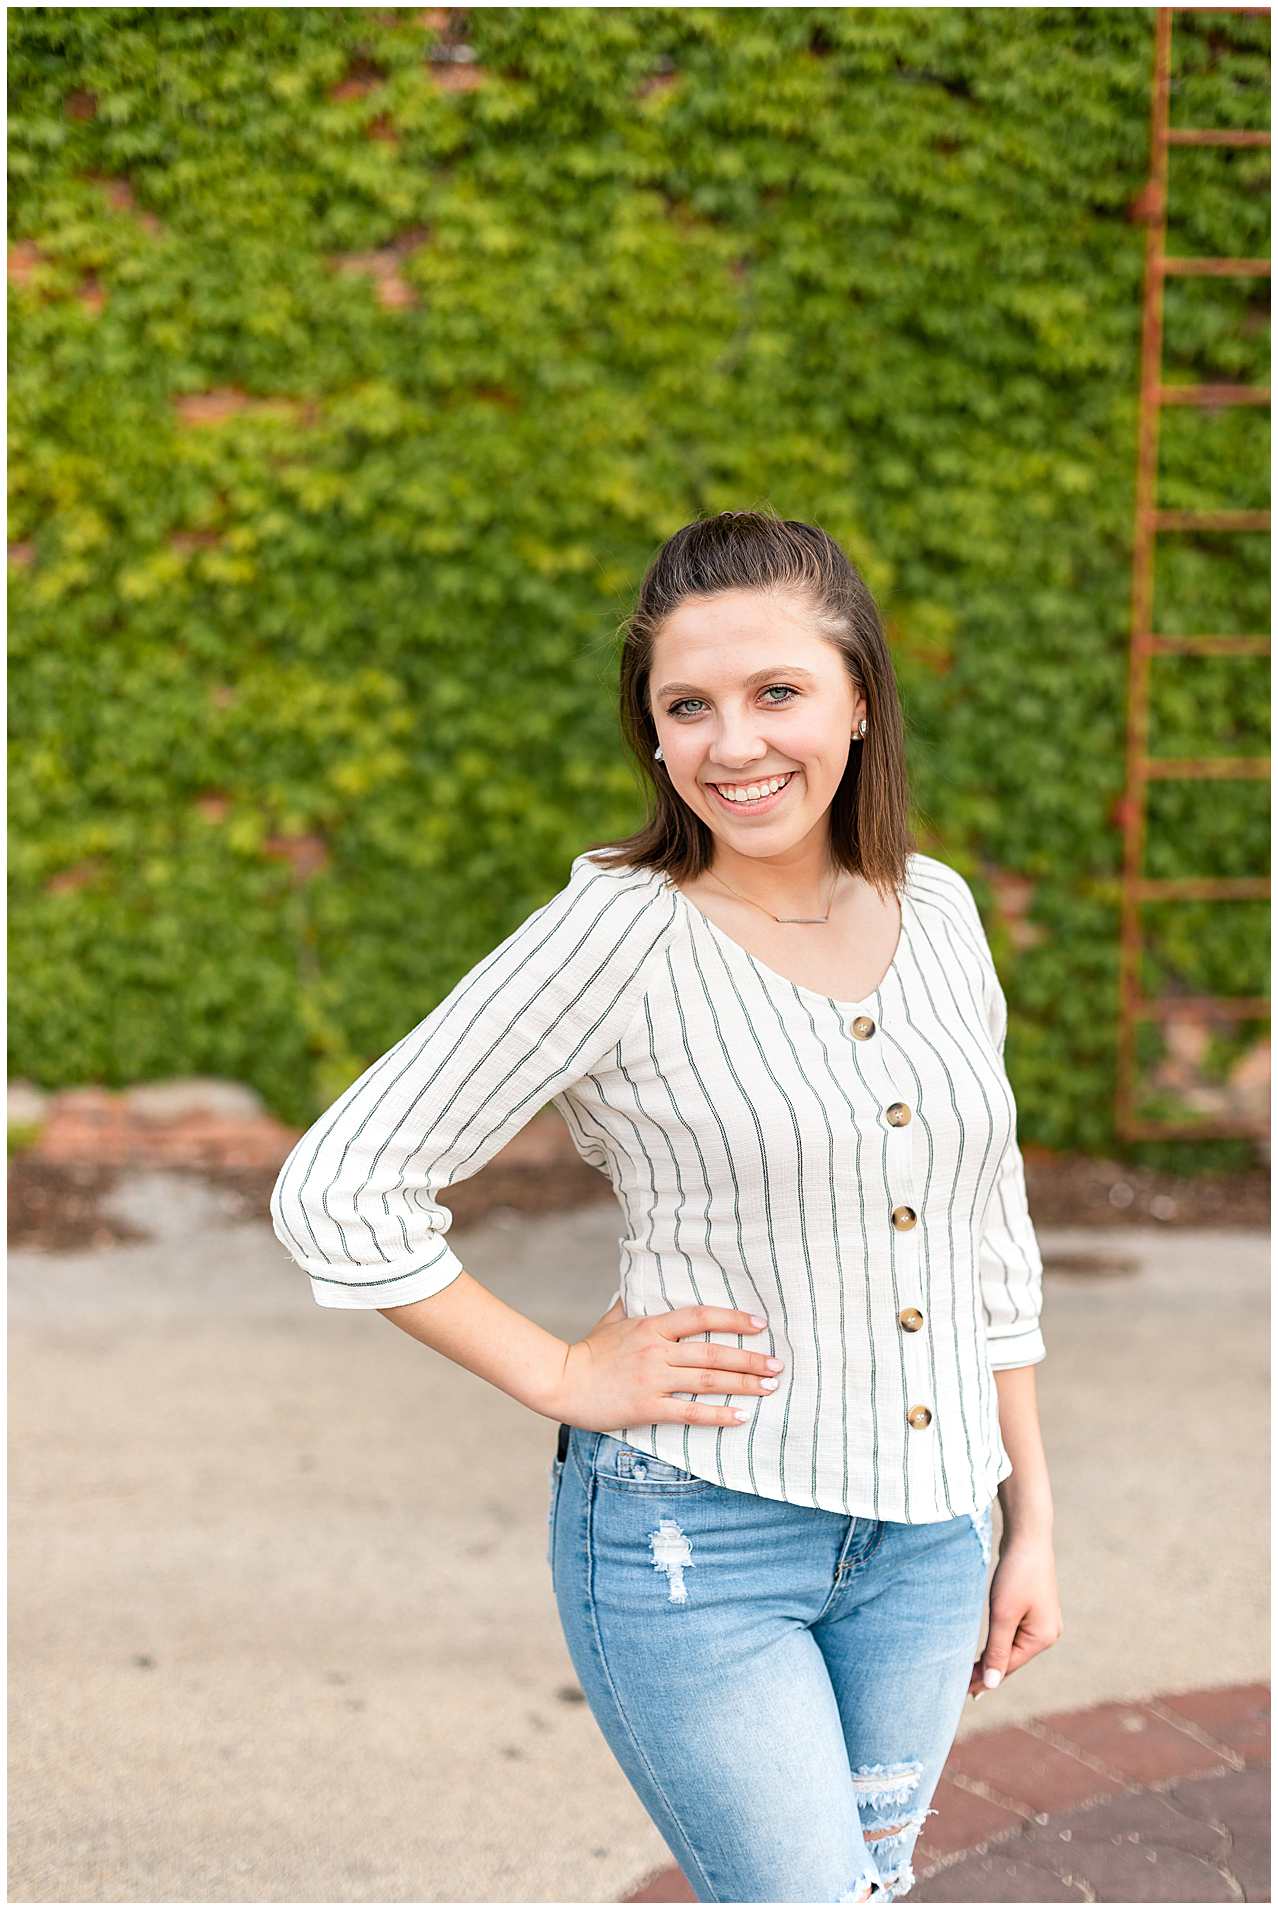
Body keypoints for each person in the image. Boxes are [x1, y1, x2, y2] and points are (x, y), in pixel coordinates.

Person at [269, 509, 1062, 1904]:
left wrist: (1030, 1517)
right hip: (700, 1537)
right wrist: (563, 1372)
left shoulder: (933, 910)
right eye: (685, 706)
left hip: (932, 1545)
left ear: (859, 697)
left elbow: (984, 1231)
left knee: (871, 1891)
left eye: (775, 693)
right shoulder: (618, 929)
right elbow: (340, 1186)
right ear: (650, 732)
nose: (732, 744)